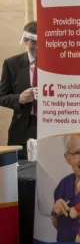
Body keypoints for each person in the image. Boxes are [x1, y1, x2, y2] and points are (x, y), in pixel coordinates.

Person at [0, 21, 38, 159]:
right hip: (23, 129)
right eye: (34, 42)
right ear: (26, 41)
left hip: (50, 128)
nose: (38, 47)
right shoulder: (12, 64)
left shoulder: (54, 64)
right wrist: (19, 98)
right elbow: (1, 96)